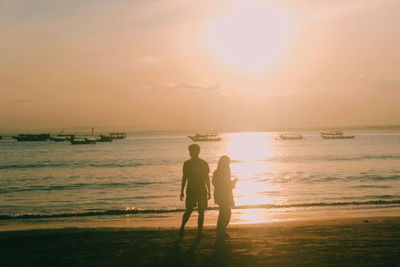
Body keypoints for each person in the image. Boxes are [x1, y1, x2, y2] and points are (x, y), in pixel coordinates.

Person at [179, 144, 211, 237]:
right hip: (196, 190)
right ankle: (184, 228)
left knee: (196, 211)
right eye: (190, 151)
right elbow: (185, 178)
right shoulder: (199, 163)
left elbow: (206, 178)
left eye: (191, 151)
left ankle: (195, 231)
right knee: (193, 211)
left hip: (196, 190)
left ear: (196, 152)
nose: (190, 153)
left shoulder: (190, 163)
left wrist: (209, 191)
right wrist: (181, 191)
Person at [212, 155, 237, 239]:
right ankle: (221, 231)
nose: (228, 164)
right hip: (224, 194)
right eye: (227, 162)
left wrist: (231, 183)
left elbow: (214, 183)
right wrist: (234, 182)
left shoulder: (217, 171)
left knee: (223, 213)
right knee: (226, 213)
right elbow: (227, 185)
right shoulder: (225, 171)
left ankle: (221, 231)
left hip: (219, 194)